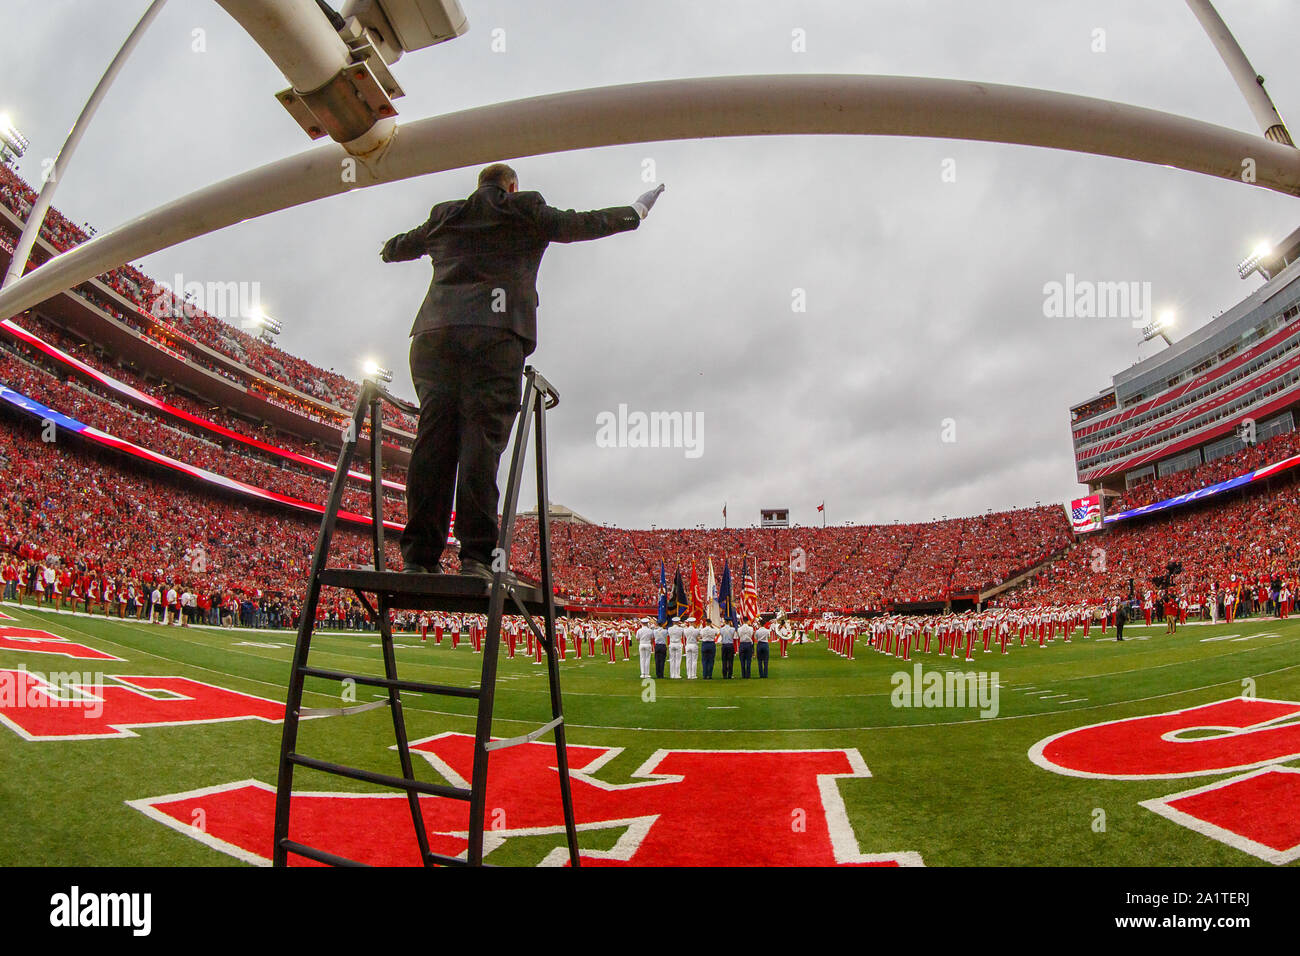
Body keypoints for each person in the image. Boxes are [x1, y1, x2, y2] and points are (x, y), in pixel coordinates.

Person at [381, 163, 665, 579]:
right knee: (481, 442)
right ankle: (477, 557)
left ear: (479, 186)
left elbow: (402, 246)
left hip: (434, 338)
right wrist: (634, 213)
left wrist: (388, 247)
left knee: (433, 443)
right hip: (494, 336)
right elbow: (578, 225)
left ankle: (418, 558)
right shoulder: (524, 208)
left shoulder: (446, 215)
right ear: (511, 187)